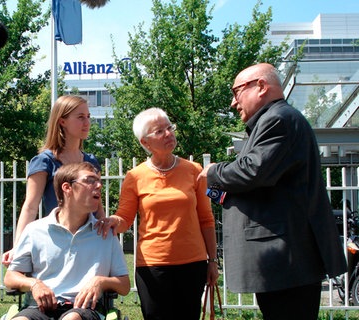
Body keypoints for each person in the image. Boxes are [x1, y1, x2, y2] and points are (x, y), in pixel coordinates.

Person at [198, 63, 346, 320]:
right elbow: (248, 188)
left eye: (236, 92)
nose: (234, 103)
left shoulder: (279, 120)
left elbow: (253, 170)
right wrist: (210, 190)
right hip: (281, 264)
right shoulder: (272, 121)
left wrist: (212, 172)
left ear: (261, 86)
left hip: (286, 262)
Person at [97, 108, 219, 320]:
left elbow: (207, 219)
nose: (168, 134)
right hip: (152, 266)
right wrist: (112, 221)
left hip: (193, 265)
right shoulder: (135, 176)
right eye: (159, 131)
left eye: (169, 128)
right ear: (145, 143)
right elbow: (125, 218)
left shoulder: (194, 170)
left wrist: (213, 261)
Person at [4, 162, 130, 320]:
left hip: (85, 309)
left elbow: (124, 286)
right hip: (39, 307)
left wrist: (100, 281)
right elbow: (10, 277)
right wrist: (34, 284)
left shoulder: (104, 233)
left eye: (99, 181)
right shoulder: (35, 230)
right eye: (90, 180)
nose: (98, 185)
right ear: (67, 188)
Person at [2, 95, 103, 266]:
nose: (87, 123)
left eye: (88, 117)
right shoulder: (45, 161)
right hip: (57, 241)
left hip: (90, 239)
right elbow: (30, 206)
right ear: (62, 121)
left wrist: (104, 233)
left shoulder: (91, 162)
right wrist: (17, 247)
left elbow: (98, 204)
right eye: (80, 117)